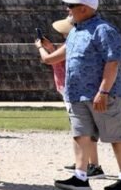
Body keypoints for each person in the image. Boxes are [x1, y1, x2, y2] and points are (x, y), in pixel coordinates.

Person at [37, 0, 121, 190]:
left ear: (84, 9)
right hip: (76, 95)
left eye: (71, 6)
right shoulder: (75, 32)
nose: (68, 9)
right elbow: (51, 59)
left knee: (115, 136)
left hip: (101, 94)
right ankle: (80, 178)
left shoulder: (104, 30)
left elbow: (113, 61)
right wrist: (43, 48)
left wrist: (104, 91)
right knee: (80, 135)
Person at [40, 17, 104, 178]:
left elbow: (49, 59)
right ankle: (85, 163)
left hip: (74, 90)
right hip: (71, 90)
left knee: (83, 129)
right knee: (82, 129)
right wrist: (51, 47)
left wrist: (41, 48)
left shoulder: (73, 44)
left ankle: (93, 165)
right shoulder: (74, 43)